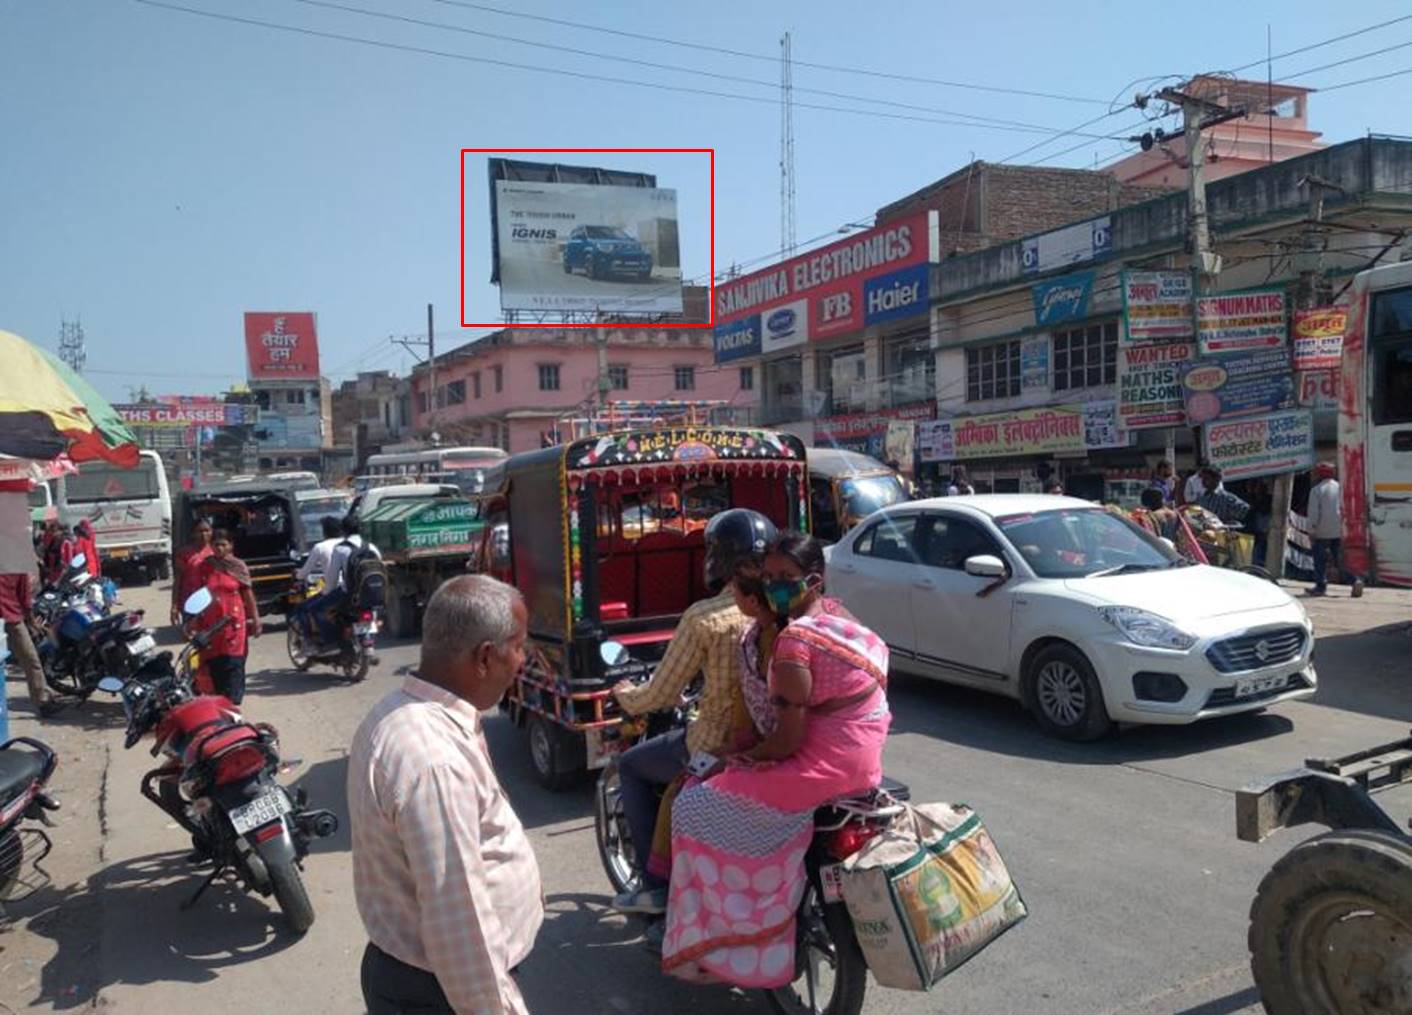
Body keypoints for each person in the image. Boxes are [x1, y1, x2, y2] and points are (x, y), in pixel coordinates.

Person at [661, 531, 891, 987]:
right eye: (768, 578)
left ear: (815, 580)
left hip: (819, 767)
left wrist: (740, 758)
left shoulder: (793, 643)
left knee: (692, 804)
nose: (774, 587)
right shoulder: (841, 617)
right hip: (865, 759)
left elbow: (784, 744)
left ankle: (729, 929)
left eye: (786, 579)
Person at [349, 575, 541, 1015]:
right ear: (485, 657)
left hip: (419, 978)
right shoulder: (435, 761)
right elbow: (461, 924)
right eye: (518, 646)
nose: (523, 660)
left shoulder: (400, 714)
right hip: (441, 992)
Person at [608, 508, 770, 916]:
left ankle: (656, 886)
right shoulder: (780, 607)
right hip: (773, 736)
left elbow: (662, 694)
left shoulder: (705, 618)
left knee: (630, 766)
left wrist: (626, 695)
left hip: (713, 743)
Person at [0, 484, 58, 717]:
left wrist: (31, 619)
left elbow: (25, 596)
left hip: (11, 618)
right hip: (9, 616)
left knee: (31, 659)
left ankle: (43, 701)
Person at [192, 529, 260, 703]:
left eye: (223, 544)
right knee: (214, 666)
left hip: (234, 624)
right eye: (216, 544)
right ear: (211, 546)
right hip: (210, 625)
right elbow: (198, 596)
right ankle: (220, 706)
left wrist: (256, 619)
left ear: (231, 546)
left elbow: (248, 595)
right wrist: (192, 620)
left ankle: (233, 705)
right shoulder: (205, 567)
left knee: (233, 663)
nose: (220, 548)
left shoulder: (238, 566)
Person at [305, 514, 381, 642]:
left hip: (348, 594)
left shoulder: (341, 549)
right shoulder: (371, 547)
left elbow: (332, 578)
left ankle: (331, 642)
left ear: (344, 530)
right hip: (371, 594)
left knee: (314, 609)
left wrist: (327, 594)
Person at [1307, 462, 1363, 597]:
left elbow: (1314, 512)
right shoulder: (1340, 488)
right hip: (1338, 529)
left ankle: (1320, 587)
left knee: (1320, 560)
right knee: (1339, 560)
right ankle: (1355, 580)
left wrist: (1311, 530)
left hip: (1321, 530)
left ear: (1319, 474)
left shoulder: (1316, 490)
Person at [171, 518, 213, 626]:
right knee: (192, 636)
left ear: (212, 532)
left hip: (212, 602)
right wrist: (174, 606)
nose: (204, 534)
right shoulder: (184, 554)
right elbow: (178, 581)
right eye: (200, 531)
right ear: (193, 534)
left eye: (207, 530)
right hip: (190, 602)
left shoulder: (216, 551)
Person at [296, 516, 343, 585]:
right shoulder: (347, 543)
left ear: (325, 531)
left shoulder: (320, 547)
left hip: (333, 589)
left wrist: (297, 574)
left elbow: (304, 573)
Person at [39, 521, 75, 586]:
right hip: (51, 573)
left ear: (60, 531)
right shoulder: (52, 542)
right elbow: (47, 554)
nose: (53, 533)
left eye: (55, 531)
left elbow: (69, 561)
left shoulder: (66, 543)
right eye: (52, 531)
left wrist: (64, 571)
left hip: (60, 574)